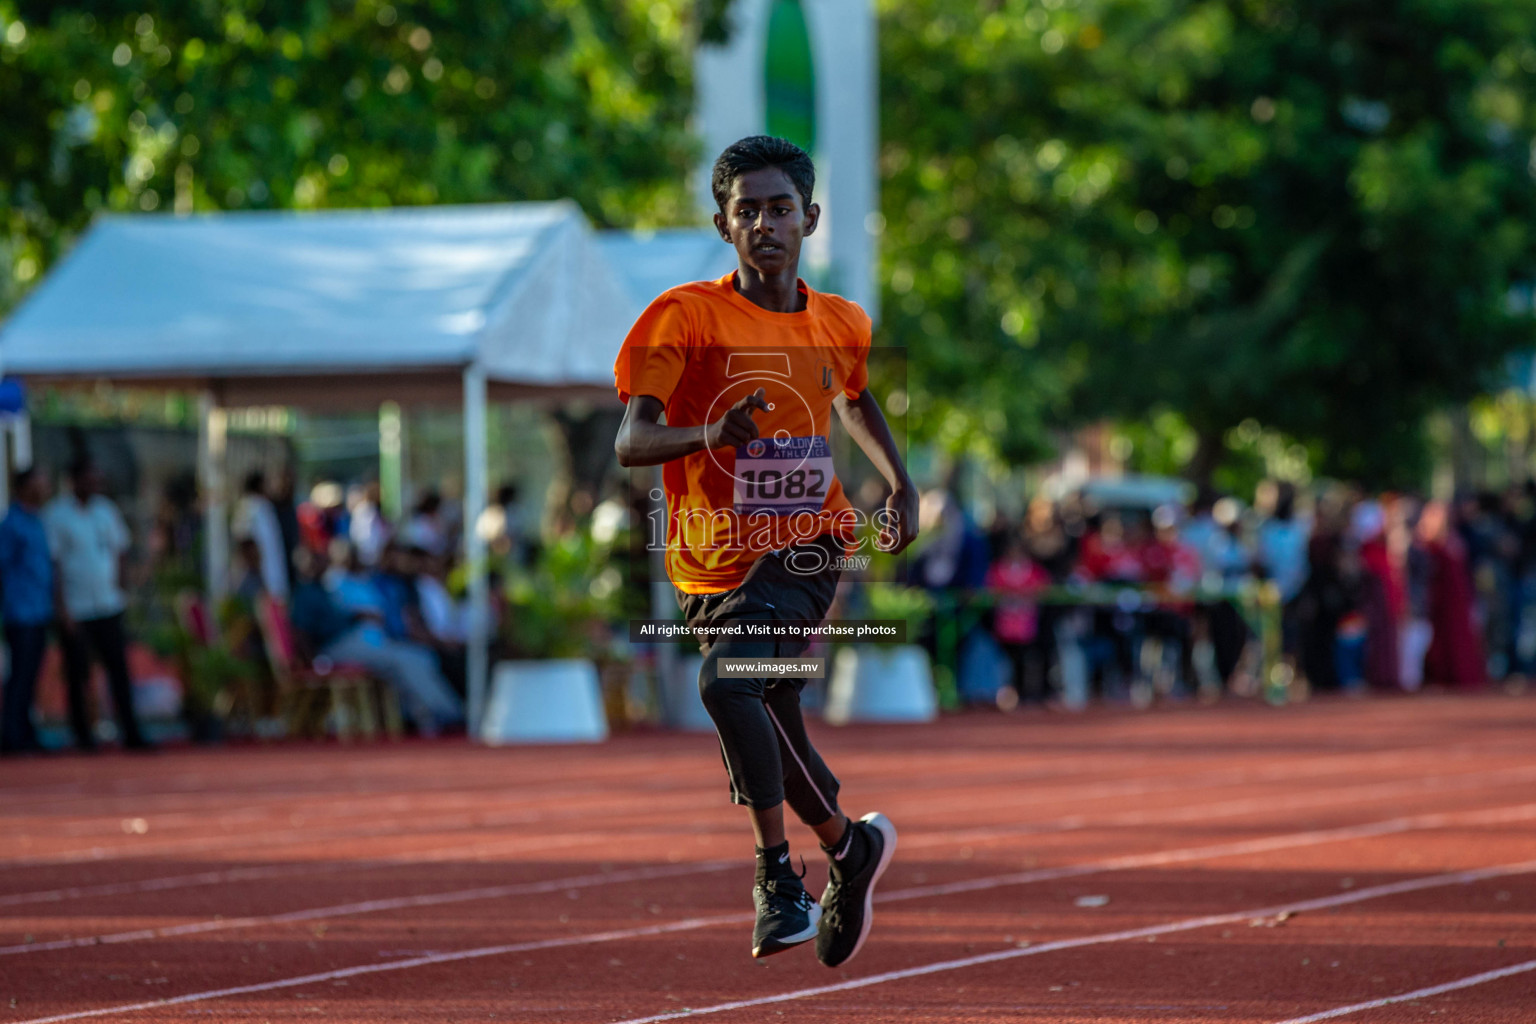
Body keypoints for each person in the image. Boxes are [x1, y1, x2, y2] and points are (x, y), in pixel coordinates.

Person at [613, 136, 915, 967]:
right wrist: (708, 431)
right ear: (723, 225)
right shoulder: (684, 318)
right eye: (747, 210)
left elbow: (854, 398)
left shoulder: (840, 321)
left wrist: (900, 482)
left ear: (809, 218)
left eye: (780, 208)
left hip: (809, 543)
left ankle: (776, 879)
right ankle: (848, 849)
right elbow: (631, 441)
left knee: (725, 681)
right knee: (767, 709)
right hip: (708, 561)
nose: (765, 223)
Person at [290, 546, 465, 736]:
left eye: (321, 559)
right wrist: (313, 662)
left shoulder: (325, 589)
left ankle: (430, 715)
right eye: (314, 560)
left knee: (417, 656)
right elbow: (301, 632)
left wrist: (356, 617)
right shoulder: (305, 593)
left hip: (353, 640)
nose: (321, 564)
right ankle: (445, 714)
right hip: (335, 647)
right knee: (401, 659)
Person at [44, 458, 153, 751]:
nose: (95, 486)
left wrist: (121, 587)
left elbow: (120, 550)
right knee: (78, 674)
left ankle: (131, 733)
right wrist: (62, 609)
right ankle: (83, 736)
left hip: (108, 604)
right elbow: (53, 566)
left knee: (119, 669)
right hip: (76, 609)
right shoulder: (56, 515)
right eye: (90, 480)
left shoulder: (106, 511)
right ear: (75, 481)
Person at [0, 467, 55, 755]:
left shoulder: (38, 521)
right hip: (20, 612)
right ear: (24, 487)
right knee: (20, 676)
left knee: (31, 675)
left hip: (39, 610)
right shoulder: (12, 524)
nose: (46, 489)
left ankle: (25, 732)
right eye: (40, 484)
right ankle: (11, 735)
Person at [232, 470, 289, 600]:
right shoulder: (247, 506)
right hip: (259, 575)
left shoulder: (263, 505)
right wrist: (257, 571)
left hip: (270, 572)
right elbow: (244, 539)